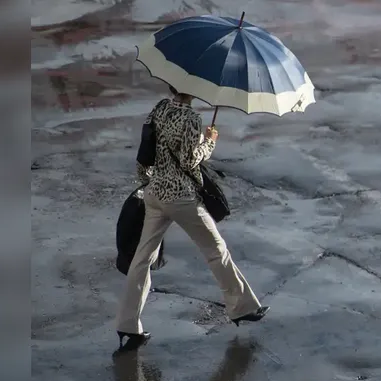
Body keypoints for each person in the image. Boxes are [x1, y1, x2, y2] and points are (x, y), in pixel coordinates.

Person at [115, 85, 269, 351]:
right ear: (193, 90)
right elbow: (190, 161)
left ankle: (128, 325)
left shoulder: (160, 108)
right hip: (180, 197)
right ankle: (241, 307)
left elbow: (146, 148)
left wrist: (147, 183)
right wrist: (209, 141)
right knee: (215, 249)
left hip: (155, 193)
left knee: (142, 260)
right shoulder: (192, 119)